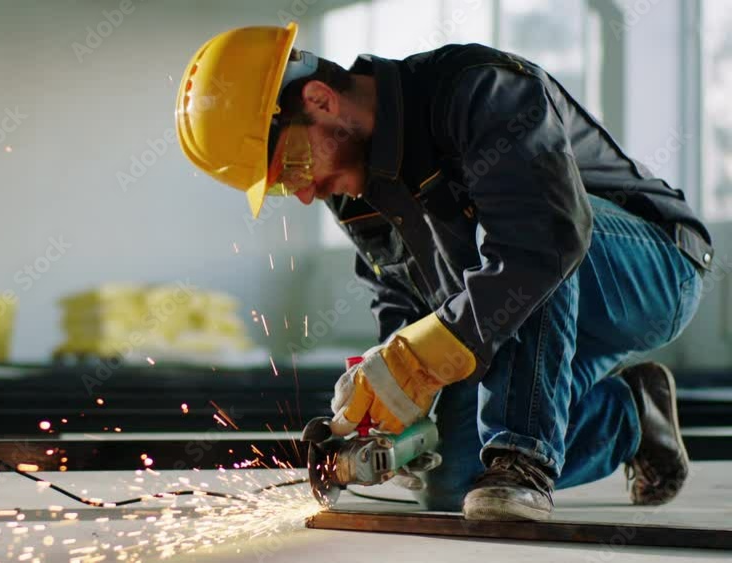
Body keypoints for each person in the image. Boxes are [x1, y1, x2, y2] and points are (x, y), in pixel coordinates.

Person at [174, 23, 714, 521]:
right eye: (281, 186)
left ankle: (522, 458)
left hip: (653, 268)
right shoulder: (354, 187)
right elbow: (401, 301)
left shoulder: (476, 90)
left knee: (523, 236)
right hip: (528, 298)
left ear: (320, 100)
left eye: (291, 165)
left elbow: (544, 241)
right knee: (453, 480)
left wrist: (428, 357)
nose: (305, 190)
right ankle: (630, 416)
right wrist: (384, 405)